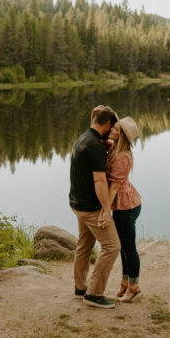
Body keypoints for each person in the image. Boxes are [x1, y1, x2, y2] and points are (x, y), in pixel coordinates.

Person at [69, 105, 121, 309]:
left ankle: (80, 288)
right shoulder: (96, 147)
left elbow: (95, 125)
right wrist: (106, 210)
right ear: (108, 124)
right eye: (113, 126)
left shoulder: (84, 138)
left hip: (77, 203)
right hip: (90, 208)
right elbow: (100, 181)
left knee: (85, 244)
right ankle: (94, 293)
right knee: (111, 246)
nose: (113, 131)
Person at [106, 116, 142, 302]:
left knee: (129, 248)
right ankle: (125, 281)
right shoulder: (117, 149)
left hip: (126, 206)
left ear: (122, 135)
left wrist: (105, 211)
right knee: (123, 248)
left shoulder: (121, 156)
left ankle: (134, 285)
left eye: (116, 128)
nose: (111, 129)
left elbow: (114, 187)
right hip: (125, 204)